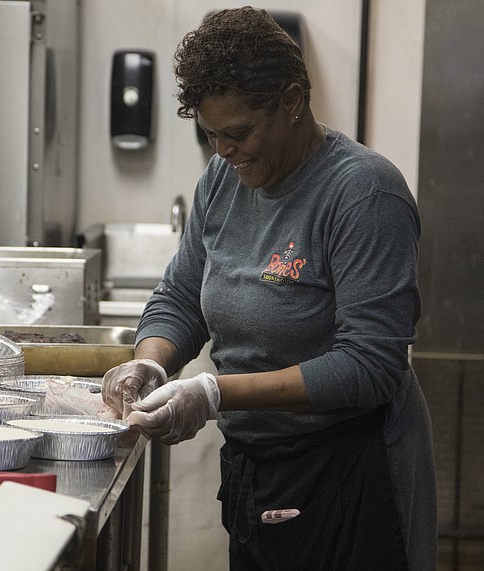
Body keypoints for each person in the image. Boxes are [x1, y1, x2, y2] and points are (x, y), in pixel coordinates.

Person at [101, 7, 437, 570]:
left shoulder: (363, 193)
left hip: (352, 469)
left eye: (237, 133)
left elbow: (370, 365)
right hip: (258, 467)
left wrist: (214, 394)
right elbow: (181, 298)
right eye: (211, 136)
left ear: (292, 101)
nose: (224, 151)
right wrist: (151, 365)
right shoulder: (222, 182)